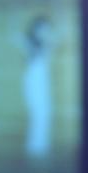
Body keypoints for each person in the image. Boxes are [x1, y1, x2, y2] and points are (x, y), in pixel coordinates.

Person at [22, 16, 54, 158]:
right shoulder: (30, 44)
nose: (45, 31)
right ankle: (35, 146)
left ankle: (40, 146)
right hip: (35, 80)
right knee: (38, 112)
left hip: (43, 80)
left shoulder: (46, 43)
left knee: (45, 112)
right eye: (42, 28)